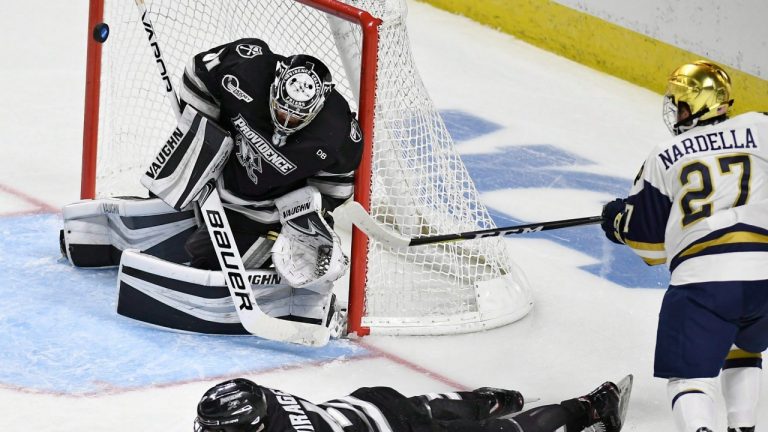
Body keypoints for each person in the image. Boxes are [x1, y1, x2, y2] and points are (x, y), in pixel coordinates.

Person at [60, 38, 363, 335]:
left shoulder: (337, 131)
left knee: (204, 258)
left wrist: (296, 215)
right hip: (214, 177)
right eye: (281, 108)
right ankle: (119, 231)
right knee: (168, 194)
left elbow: (335, 189)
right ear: (275, 85)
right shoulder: (247, 68)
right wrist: (207, 135)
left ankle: (305, 296)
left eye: (296, 116)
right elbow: (196, 75)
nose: (285, 118)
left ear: (319, 104)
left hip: (262, 214)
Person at [600, 60, 768, 432]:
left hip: (704, 281)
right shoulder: (762, 126)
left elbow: (649, 247)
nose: (676, 111)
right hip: (764, 279)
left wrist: (617, 222)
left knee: (689, 379)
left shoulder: (665, 154)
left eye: (680, 103)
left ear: (697, 104)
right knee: (743, 349)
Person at [192, 376, 632, 432]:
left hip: (393, 430)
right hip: (368, 401)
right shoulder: (260, 398)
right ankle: (495, 399)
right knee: (434, 406)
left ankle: (593, 406)